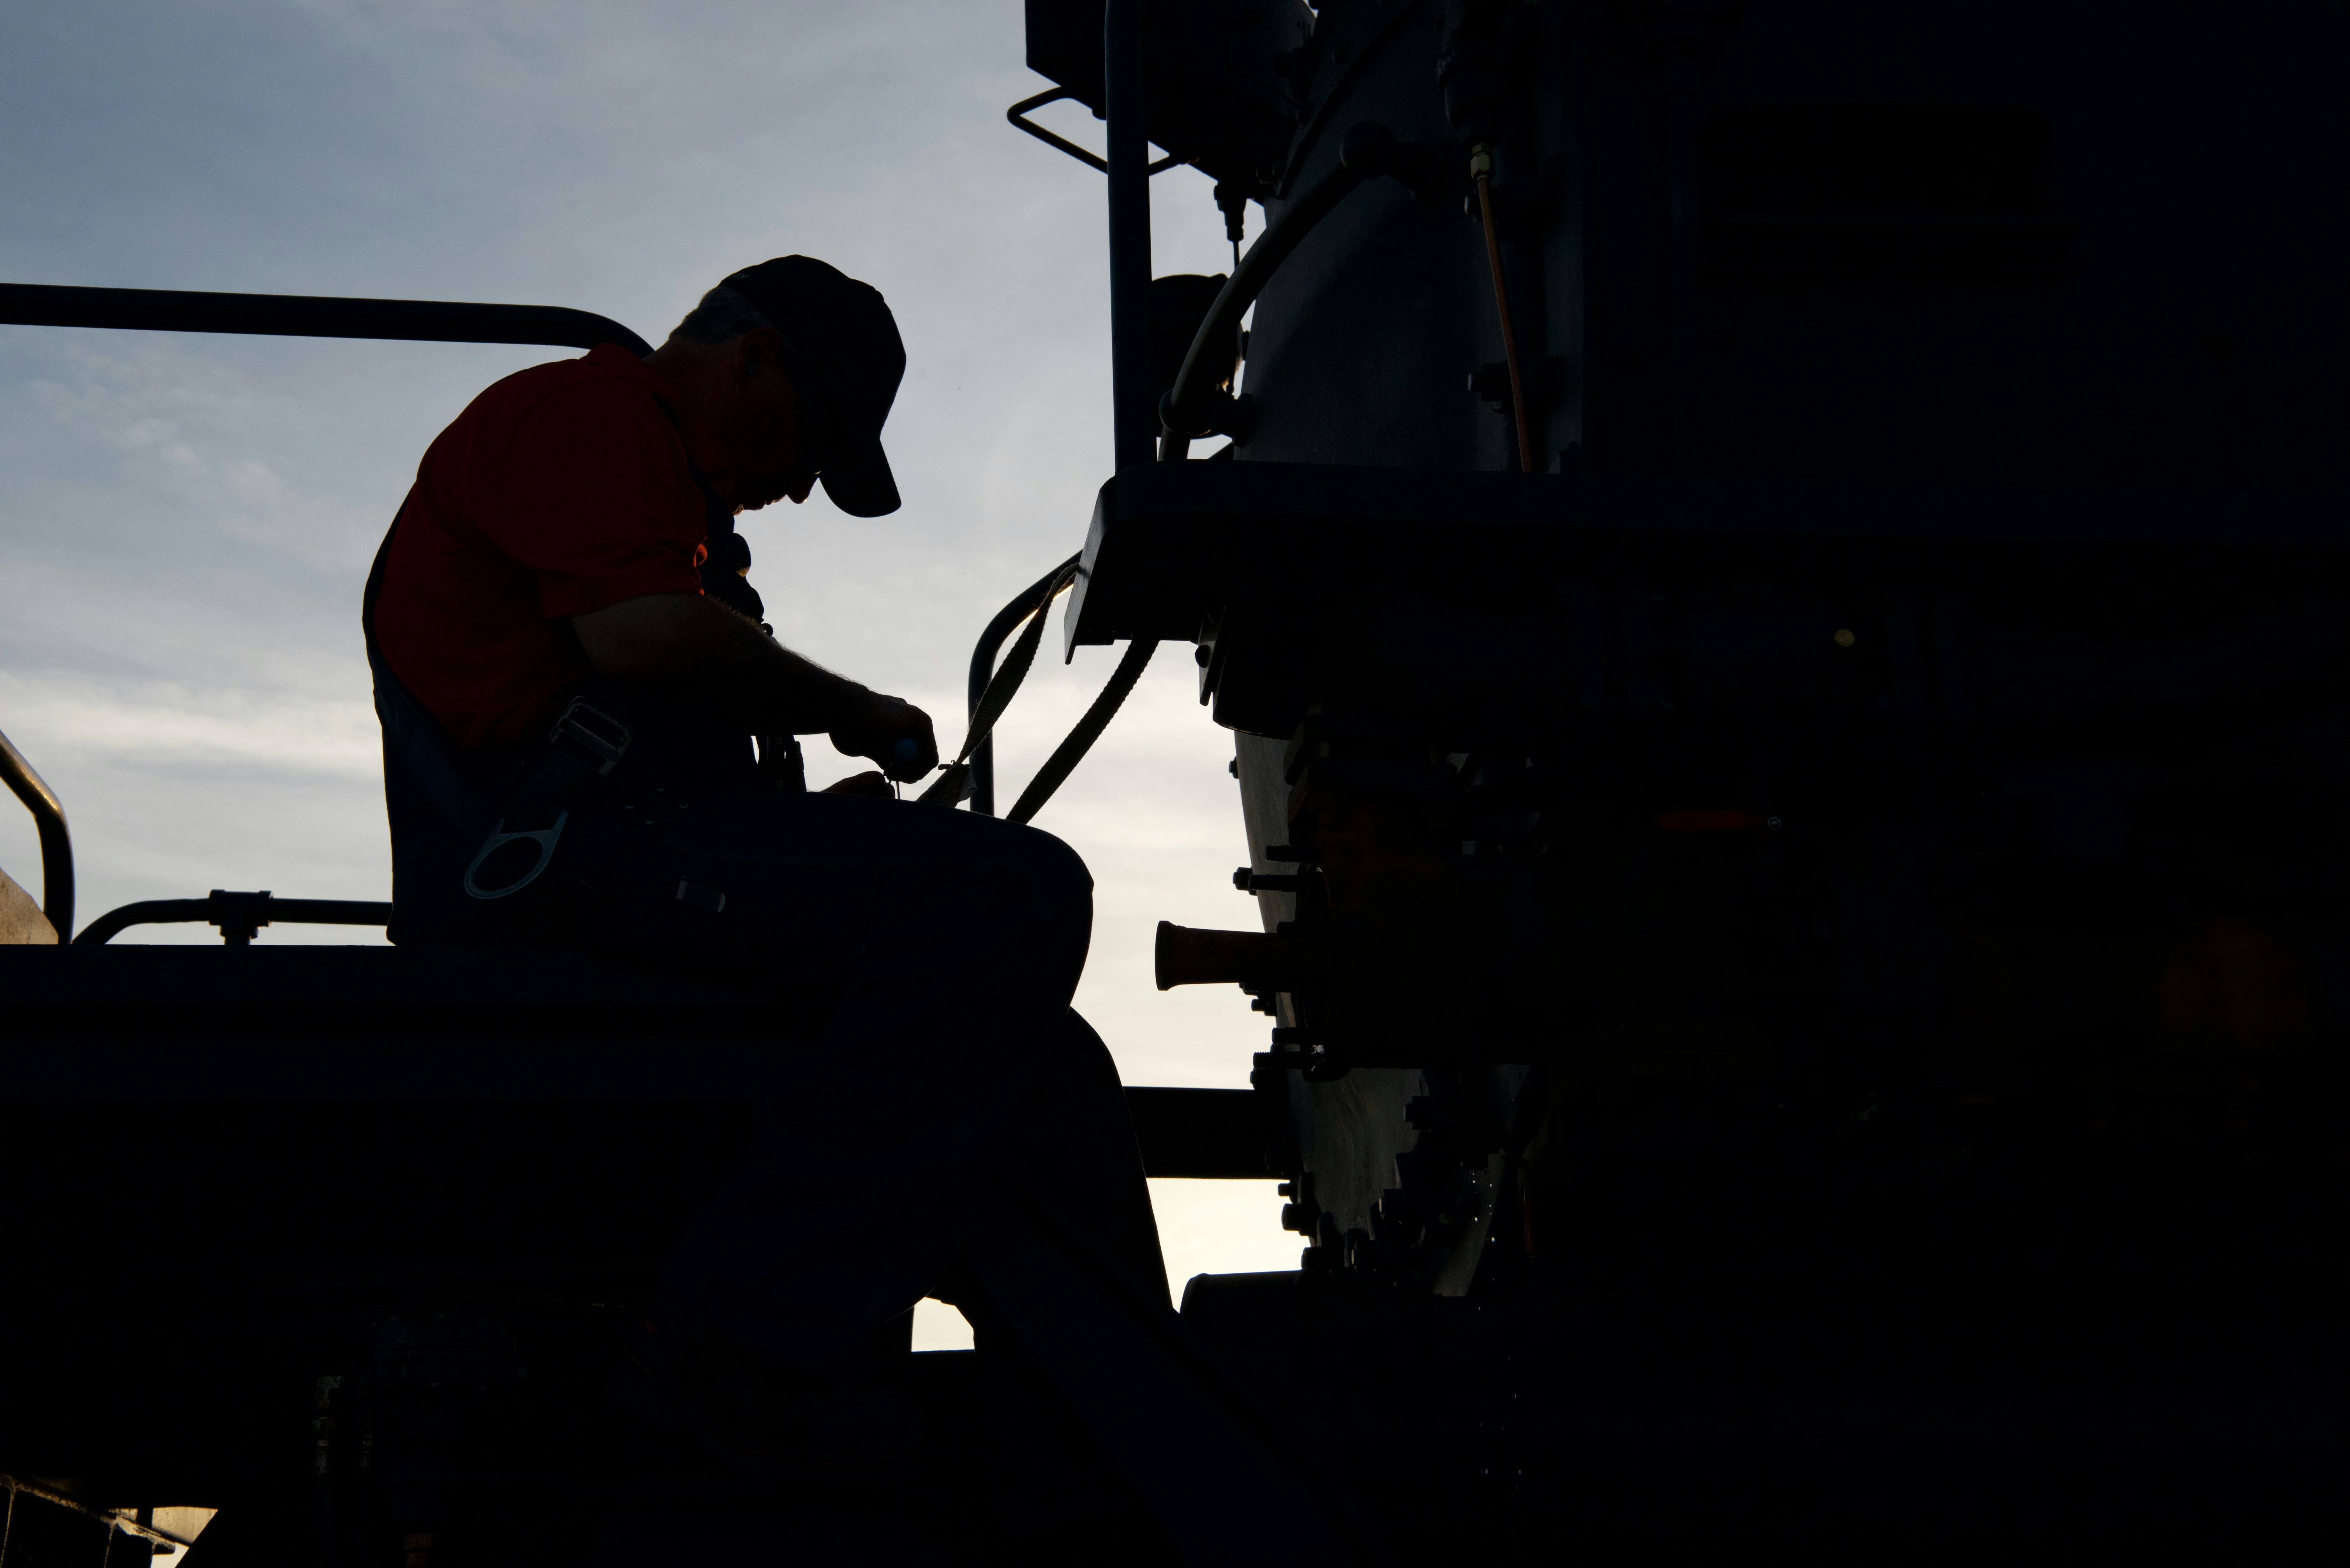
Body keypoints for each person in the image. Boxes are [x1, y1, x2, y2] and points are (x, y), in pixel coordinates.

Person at [361, 258, 1354, 1562]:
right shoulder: (593, 411)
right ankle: (745, 1345)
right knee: (1011, 889)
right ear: (752, 359)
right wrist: (852, 711)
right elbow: (643, 640)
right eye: (811, 446)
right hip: (557, 869)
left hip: (630, 848)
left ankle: (1105, 1486)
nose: (795, 489)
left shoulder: (665, 503)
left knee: (1048, 1062)